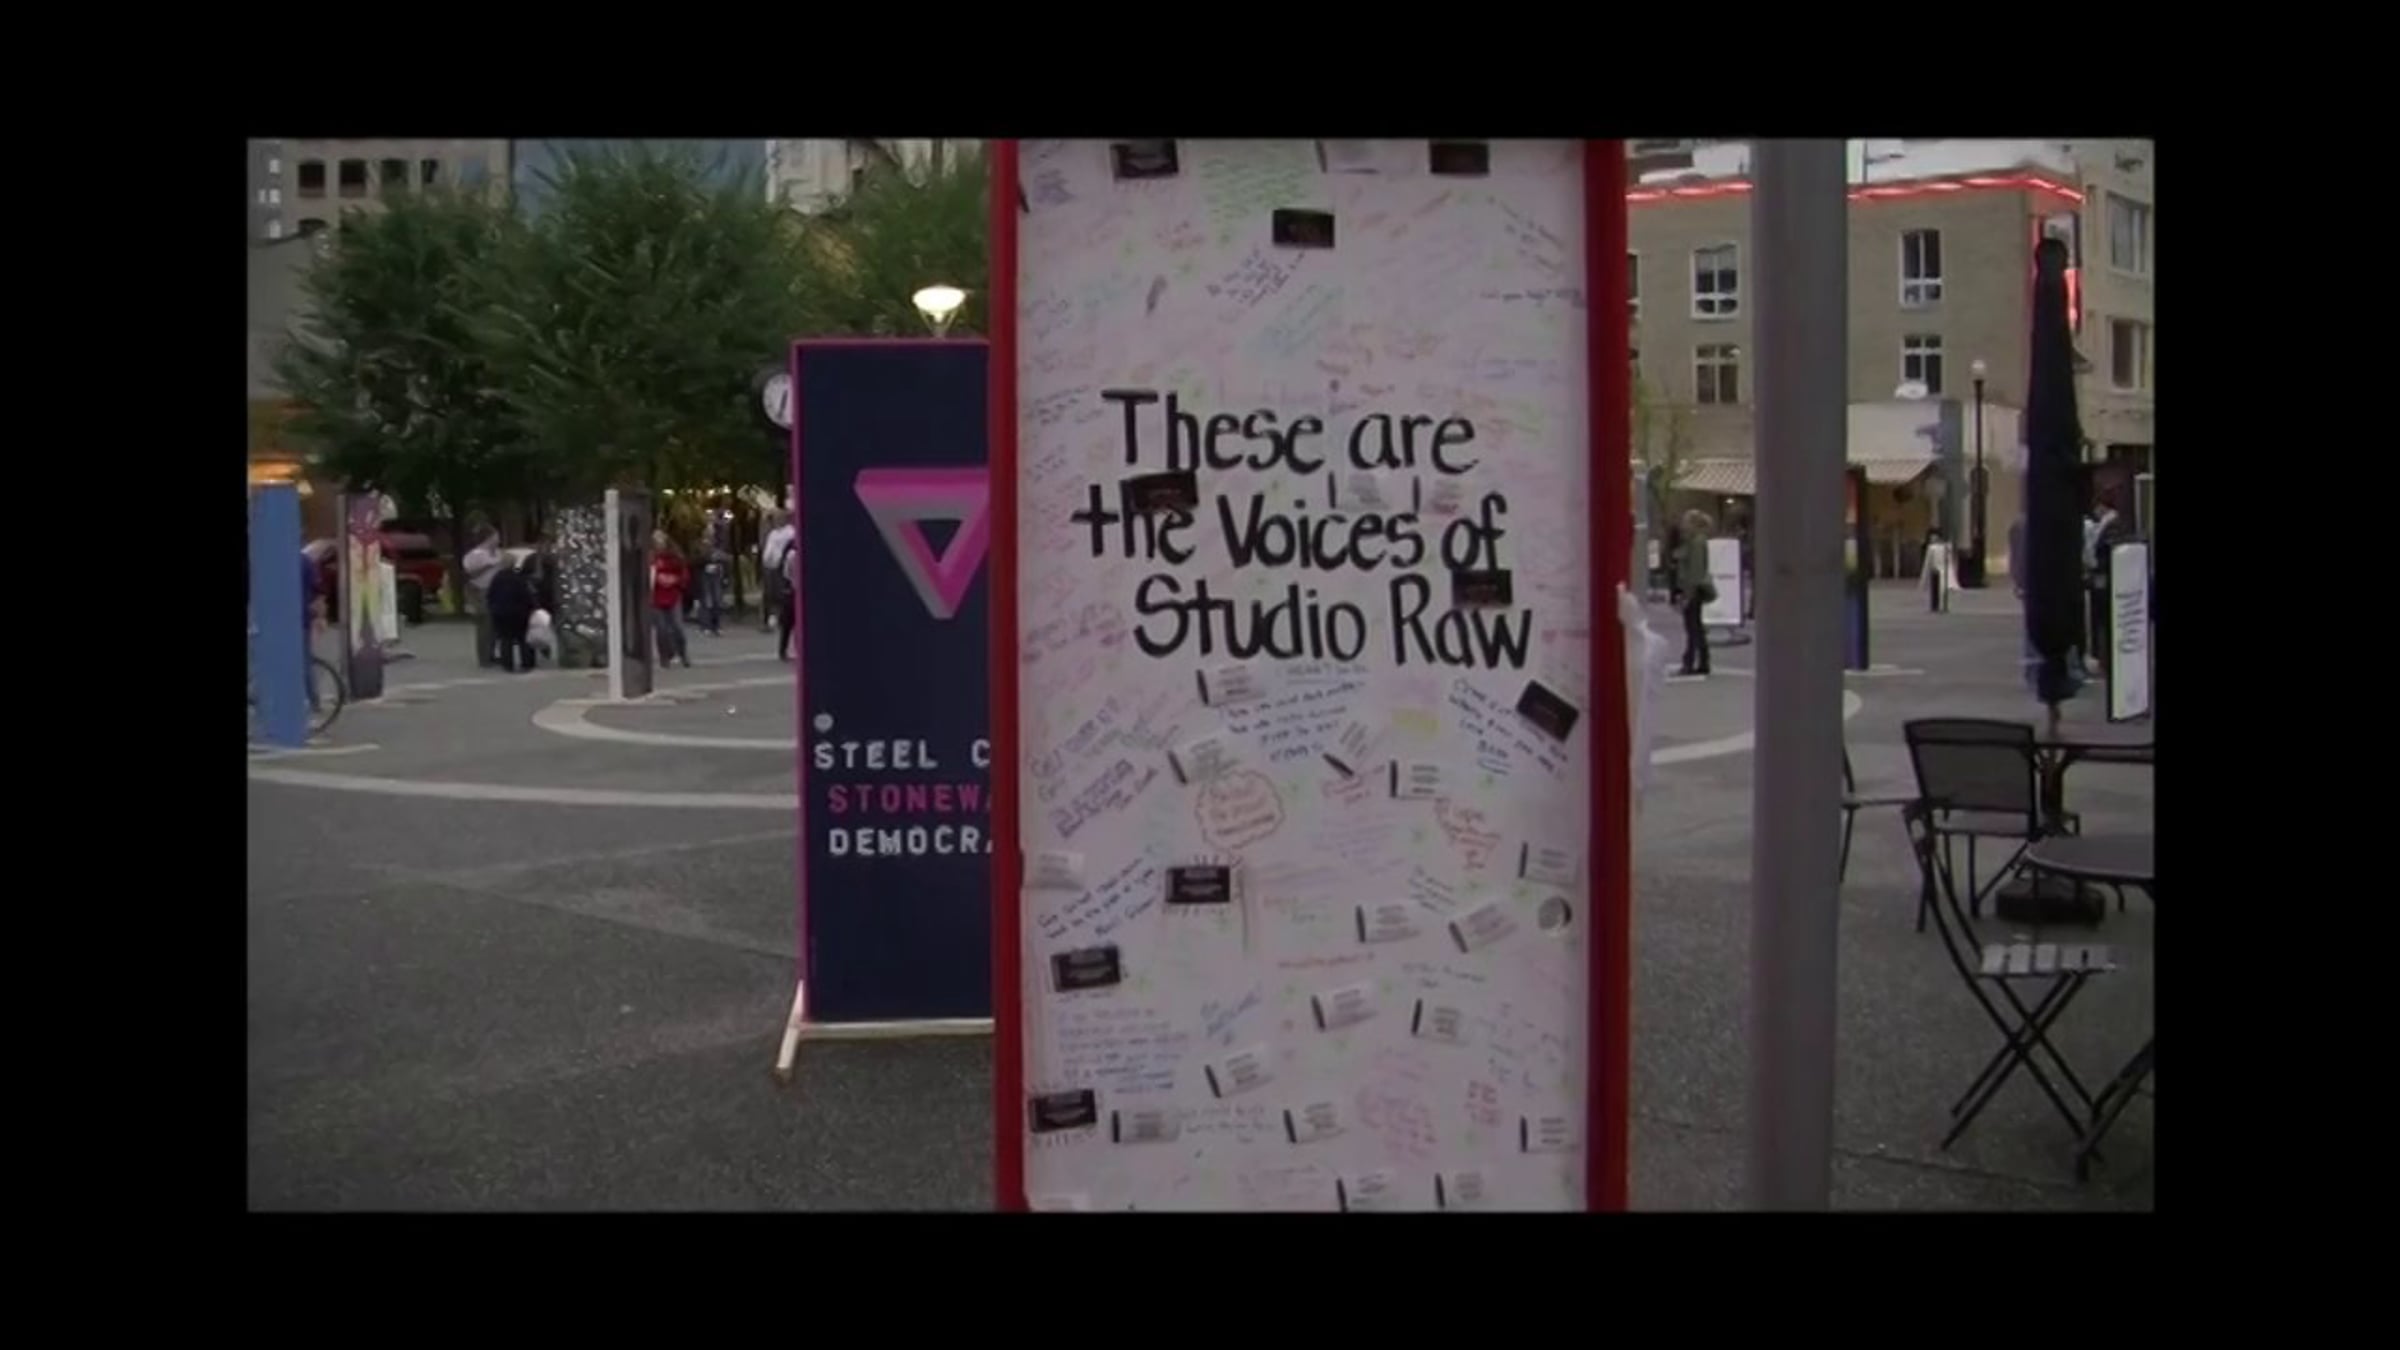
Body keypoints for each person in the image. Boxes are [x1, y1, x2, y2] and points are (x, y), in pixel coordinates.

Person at [1673, 509, 1715, 677]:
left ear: (1693, 524)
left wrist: (1688, 595)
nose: (1682, 525)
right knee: (1695, 627)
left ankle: (1692, 662)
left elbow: (1695, 572)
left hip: (1693, 590)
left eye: (1685, 521)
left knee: (1693, 628)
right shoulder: (1691, 541)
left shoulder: (1697, 543)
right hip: (1691, 589)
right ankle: (1700, 661)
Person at [486, 553, 538, 673]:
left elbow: (490, 595)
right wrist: (532, 607)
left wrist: (493, 608)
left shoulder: (496, 578)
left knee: (506, 639)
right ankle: (527, 663)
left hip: (501, 612)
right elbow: (526, 594)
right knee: (523, 638)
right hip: (519, 612)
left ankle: (507, 664)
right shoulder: (518, 578)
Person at [461, 527, 504, 668]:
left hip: (496, 590)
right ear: (488, 537)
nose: (498, 539)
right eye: (496, 536)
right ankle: (484, 657)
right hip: (480, 590)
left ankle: (492, 653)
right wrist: (488, 565)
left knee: (494, 625)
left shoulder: (498, 552)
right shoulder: (475, 554)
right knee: (485, 623)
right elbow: (470, 573)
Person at [651, 531, 693, 669]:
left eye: (660, 539)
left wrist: (675, 580)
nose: (659, 542)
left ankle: (683, 653)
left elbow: (684, 574)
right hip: (657, 596)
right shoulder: (651, 557)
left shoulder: (675, 556)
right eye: (656, 540)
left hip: (673, 595)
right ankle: (665, 656)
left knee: (677, 626)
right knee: (661, 629)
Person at [760, 510, 795, 636]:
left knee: (780, 594)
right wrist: (765, 560)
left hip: (781, 566)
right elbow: (769, 548)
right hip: (770, 566)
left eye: (778, 518)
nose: (776, 521)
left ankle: (781, 620)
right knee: (769, 594)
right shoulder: (773, 533)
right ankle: (769, 620)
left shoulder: (790, 532)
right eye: (775, 519)